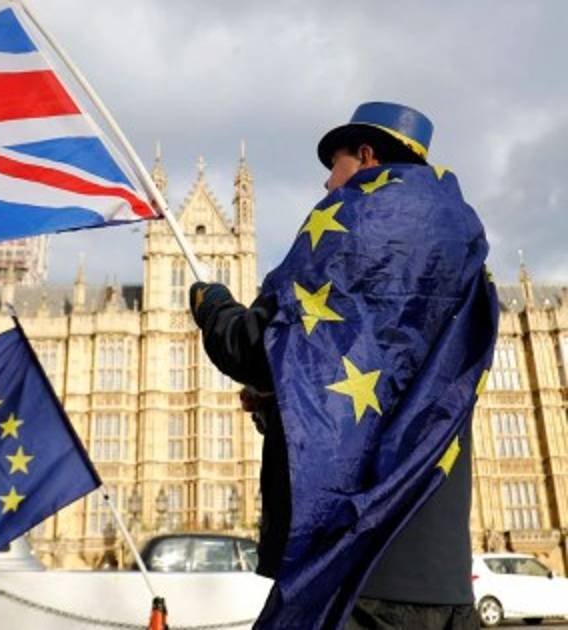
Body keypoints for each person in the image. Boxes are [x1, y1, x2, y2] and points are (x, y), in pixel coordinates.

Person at [190, 102, 489, 629]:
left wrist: (212, 305)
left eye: (335, 166)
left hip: (356, 573)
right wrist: (279, 405)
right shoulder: (463, 248)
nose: (329, 184)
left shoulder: (356, 229)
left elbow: (254, 349)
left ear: (367, 156)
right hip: (443, 579)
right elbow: (386, 388)